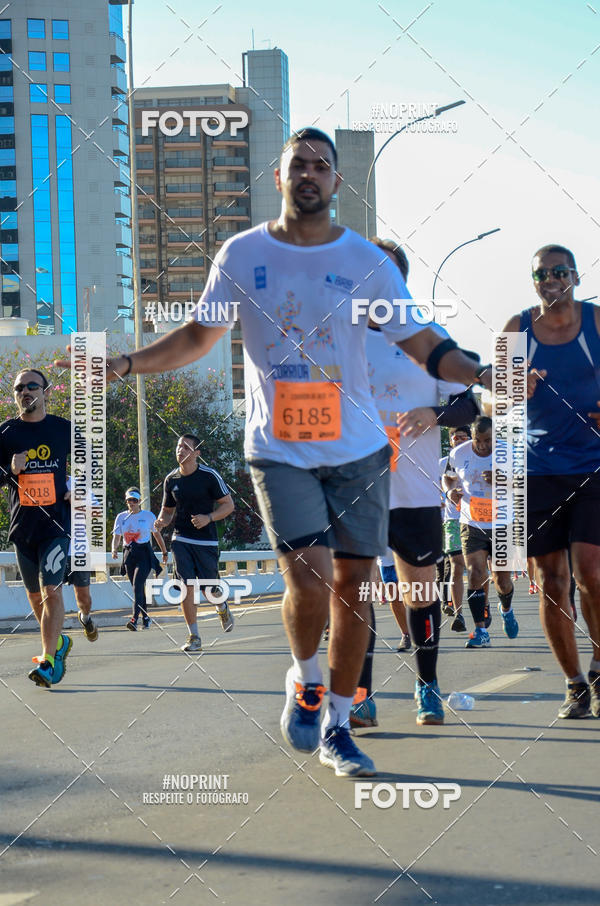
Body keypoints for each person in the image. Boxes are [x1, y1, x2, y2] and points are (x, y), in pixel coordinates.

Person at [58, 127, 492, 776]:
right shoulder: (243, 254)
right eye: (299, 165)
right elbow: (198, 336)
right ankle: (307, 677)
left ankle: (341, 724)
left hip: (363, 455)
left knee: (355, 586)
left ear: (336, 181)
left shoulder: (364, 265)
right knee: (312, 578)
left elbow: (428, 346)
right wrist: (124, 364)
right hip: (281, 448)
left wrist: (481, 376)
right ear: (280, 176)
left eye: (322, 165)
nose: (310, 174)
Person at [354, 238, 479, 726]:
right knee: (358, 595)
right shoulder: (335, 339)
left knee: (419, 594)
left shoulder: (429, 339)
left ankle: (427, 688)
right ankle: (360, 696)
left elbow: (473, 403)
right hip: (354, 493)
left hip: (415, 494)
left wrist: (436, 412)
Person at [504, 244, 600, 718]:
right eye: (541, 274)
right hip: (538, 470)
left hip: (593, 466)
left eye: (559, 272)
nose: (550, 280)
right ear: (534, 281)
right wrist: (512, 390)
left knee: (592, 574)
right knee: (551, 580)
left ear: (576, 276)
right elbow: (494, 404)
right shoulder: (516, 329)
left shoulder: (596, 323)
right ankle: (575, 683)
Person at [0, 369, 72, 687]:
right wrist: (9, 470)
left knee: (51, 592)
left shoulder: (63, 429)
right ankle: (58, 643)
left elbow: (92, 463)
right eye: (20, 388)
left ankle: (48, 662)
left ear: (46, 392)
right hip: (22, 527)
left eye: (32, 386)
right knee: (36, 598)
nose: (26, 391)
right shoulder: (6, 433)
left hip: (56, 526)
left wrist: (79, 487)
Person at [154, 434, 235, 651]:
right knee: (185, 586)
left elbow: (228, 505)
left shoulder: (209, 476)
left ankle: (221, 605)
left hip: (206, 541)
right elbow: (167, 512)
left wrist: (208, 518)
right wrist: (162, 522)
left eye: (186, 447)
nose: (180, 450)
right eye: (178, 446)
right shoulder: (171, 480)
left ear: (196, 453)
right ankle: (194, 636)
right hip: (181, 538)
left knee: (210, 589)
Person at [443, 416, 518, 648]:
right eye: (478, 440)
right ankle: (480, 630)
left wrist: (502, 480)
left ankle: (506, 609)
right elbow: (448, 477)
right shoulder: (459, 453)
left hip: (502, 524)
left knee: (502, 580)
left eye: (488, 441)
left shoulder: (510, 452)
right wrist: (450, 492)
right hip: (471, 523)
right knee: (475, 573)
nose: (483, 446)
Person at [112, 488, 167, 630]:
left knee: (137, 585)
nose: (132, 503)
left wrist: (164, 551)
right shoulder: (121, 517)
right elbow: (117, 536)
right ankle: (146, 618)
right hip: (129, 555)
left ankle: (134, 619)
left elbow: (157, 535)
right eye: (129, 500)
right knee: (137, 589)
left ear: (139, 501)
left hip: (144, 554)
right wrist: (114, 549)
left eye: (134, 500)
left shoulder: (148, 516)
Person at [439, 426, 471, 632]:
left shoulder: (478, 456)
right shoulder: (443, 463)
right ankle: (456, 610)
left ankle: (486, 606)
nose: (458, 440)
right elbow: (434, 485)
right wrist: (447, 494)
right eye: (454, 437)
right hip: (451, 519)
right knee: (452, 566)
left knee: (481, 569)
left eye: (462, 437)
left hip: (478, 520)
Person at [64, 477, 98, 642]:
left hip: (78, 549)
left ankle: (85, 617)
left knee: (83, 599)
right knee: (48, 595)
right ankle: (53, 644)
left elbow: (96, 512)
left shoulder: (80, 485)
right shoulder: (42, 480)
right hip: (50, 547)